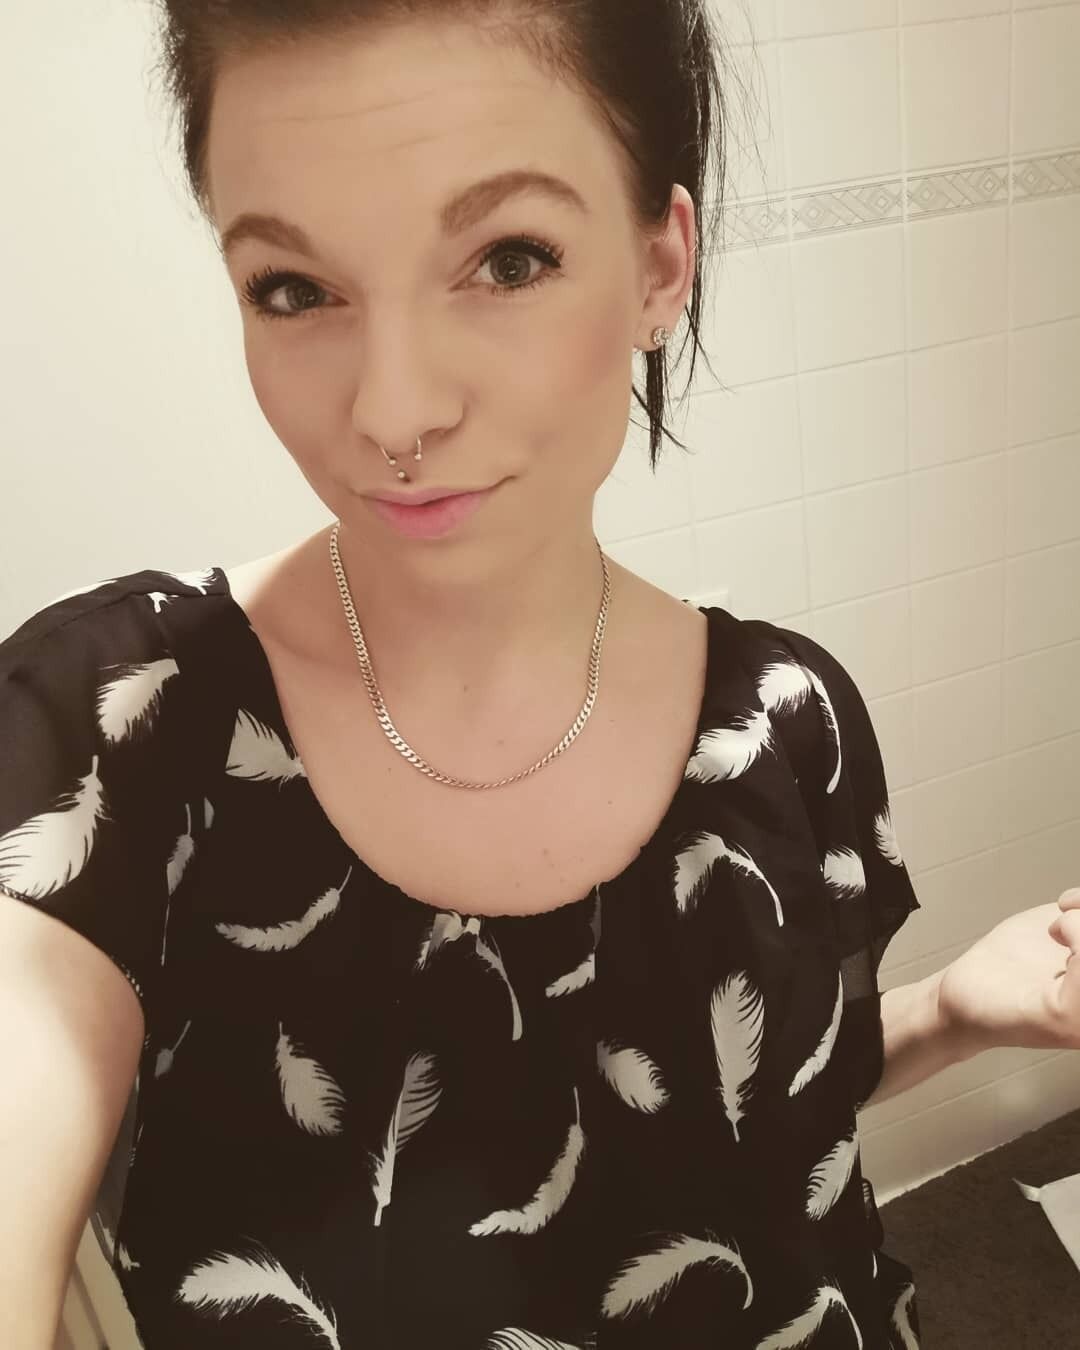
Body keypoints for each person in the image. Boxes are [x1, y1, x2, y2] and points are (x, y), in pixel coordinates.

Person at [3, 3, 1079, 1347]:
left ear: (660, 266)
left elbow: (766, 1112)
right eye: (295, 288)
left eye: (506, 261)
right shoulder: (119, 731)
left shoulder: (788, 722)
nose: (393, 412)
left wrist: (956, 1012)